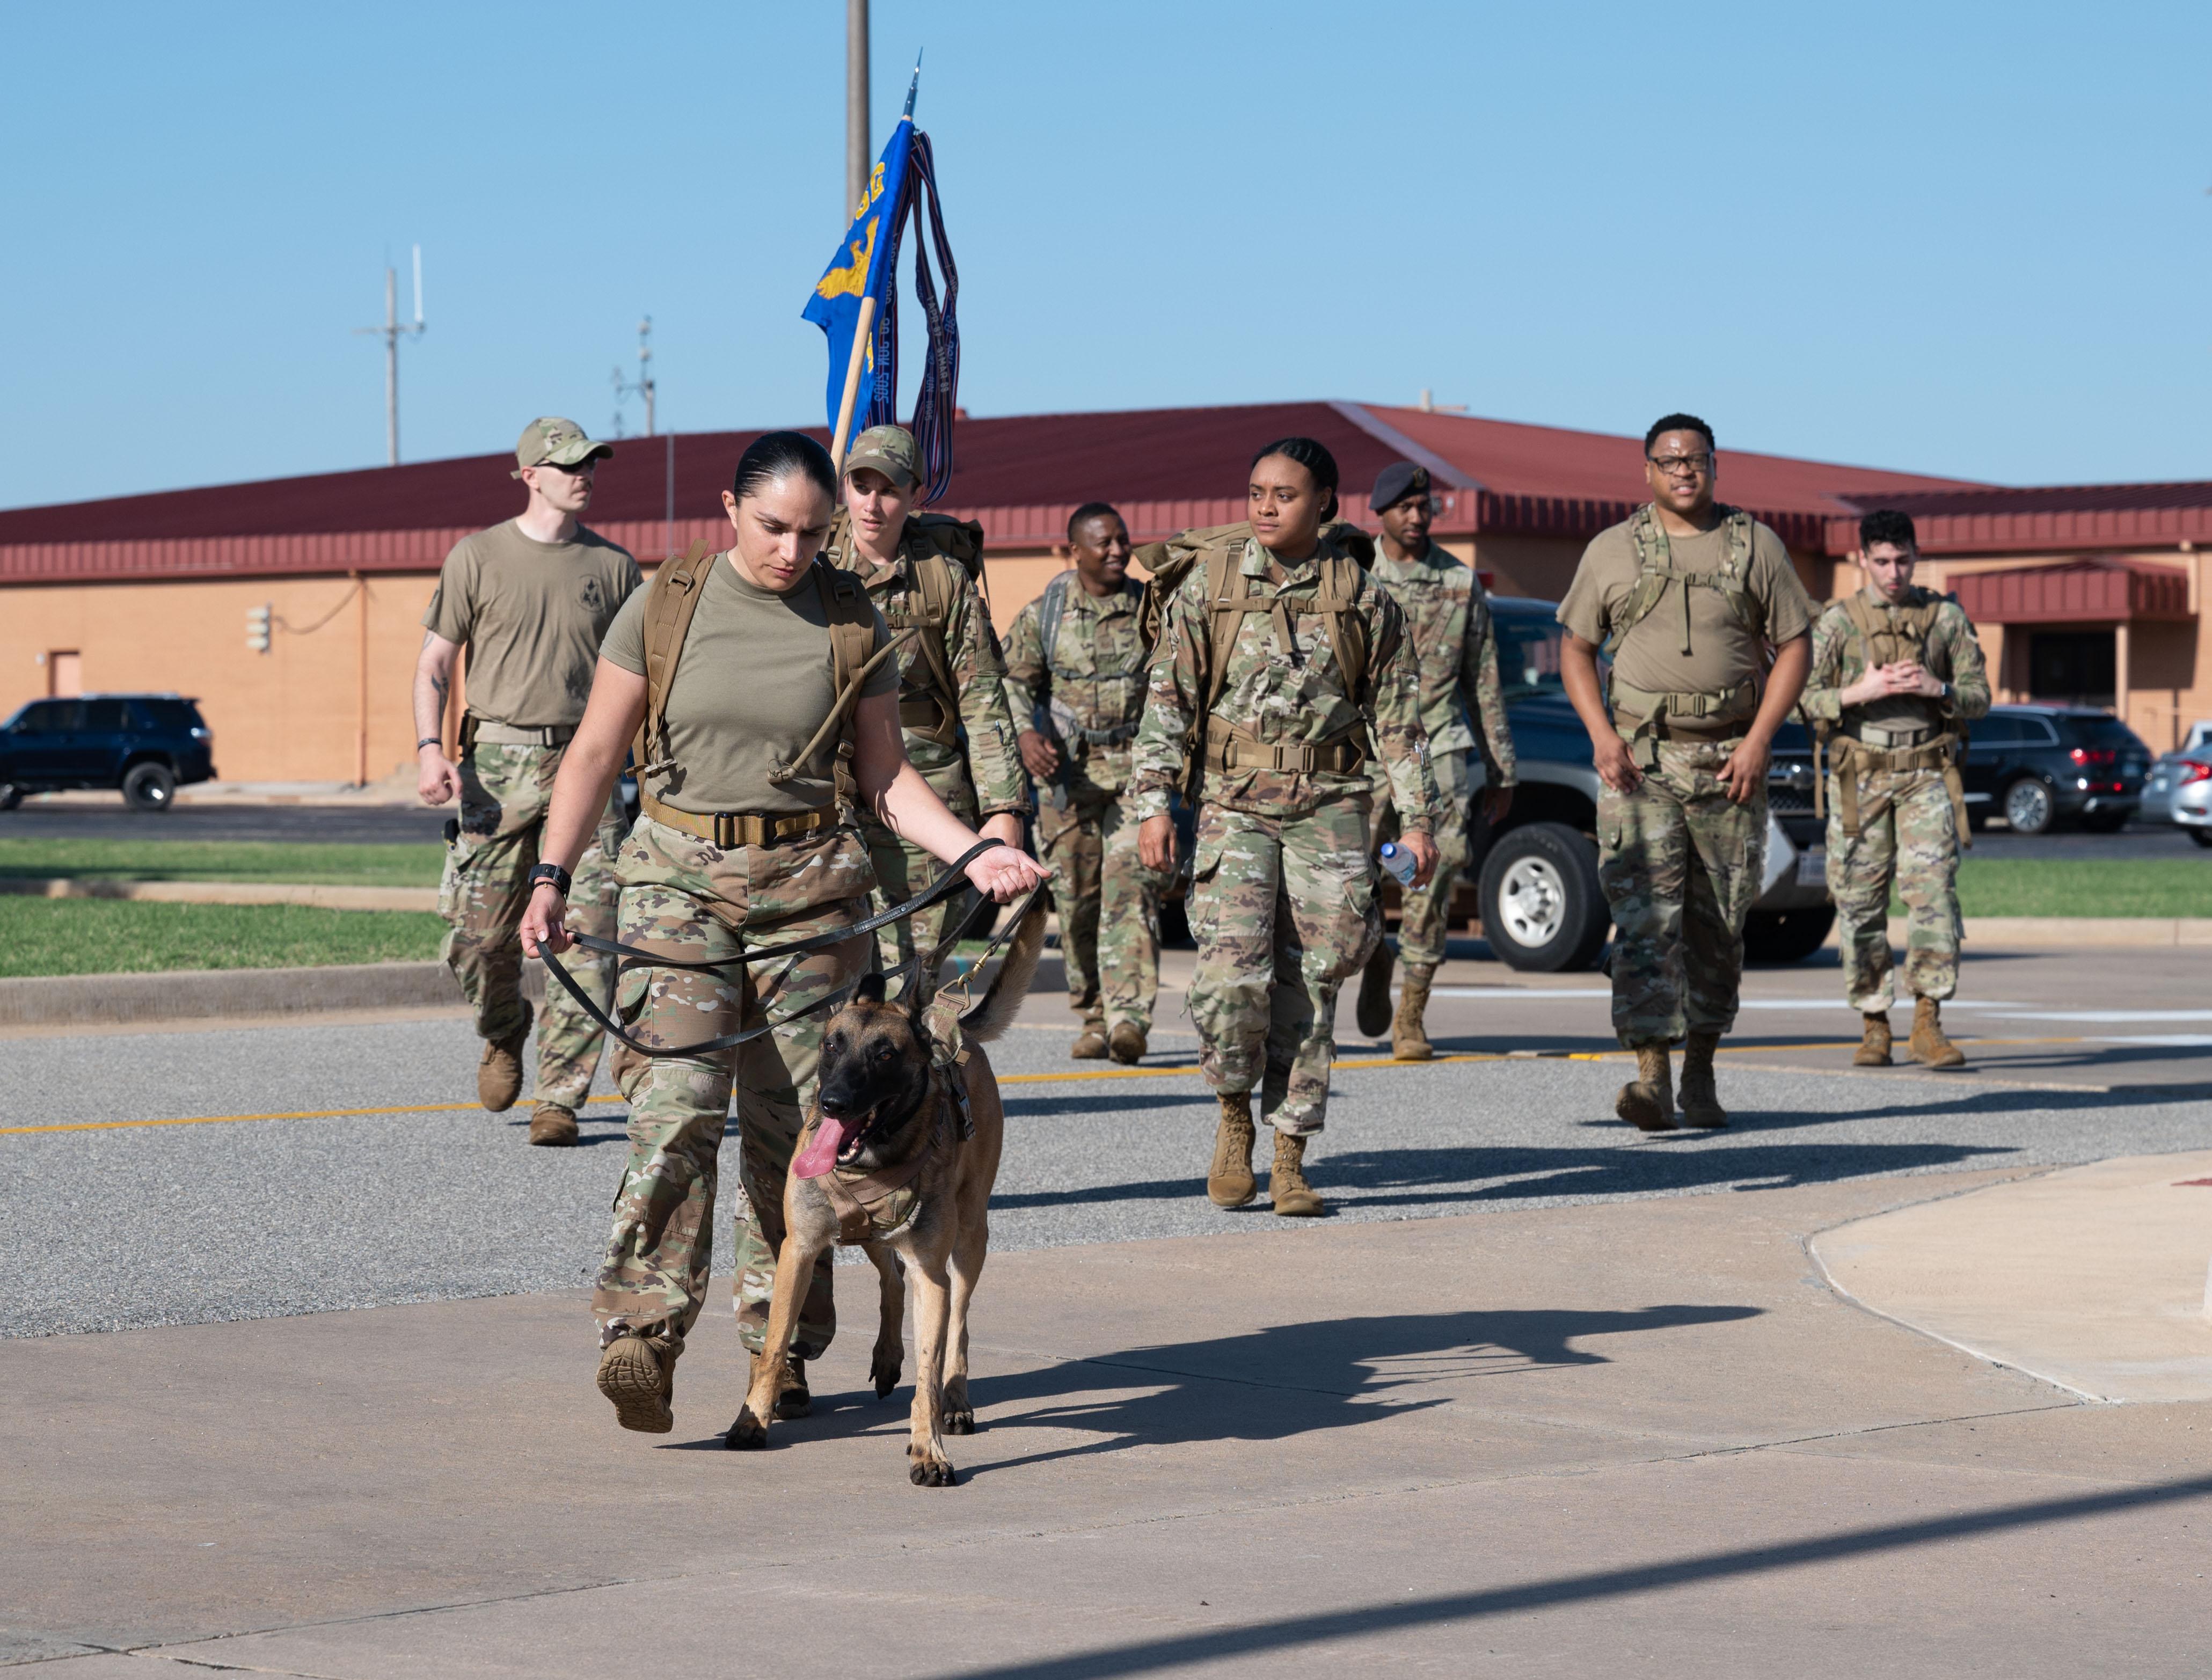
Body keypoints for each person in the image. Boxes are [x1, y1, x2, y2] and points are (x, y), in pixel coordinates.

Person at [516, 431, 1049, 1435]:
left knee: (803, 1133)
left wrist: (975, 850)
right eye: (774, 528)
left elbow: (886, 778)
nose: (794, 552)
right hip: (679, 881)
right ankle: (642, 1327)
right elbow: (593, 753)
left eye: (811, 533)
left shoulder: (851, 619)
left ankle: (781, 1339)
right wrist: (551, 876)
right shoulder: (666, 604)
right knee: (673, 1107)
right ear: (730, 509)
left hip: (811, 888)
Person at [1133, 437, 1440, 1218]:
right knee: (1233, 975)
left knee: (1314, 977)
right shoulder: (1210, 585)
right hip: (1234, 803)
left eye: (1285, 494)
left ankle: (1291, 1154)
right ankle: (1234, 1118)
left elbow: (1400, 721)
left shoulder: (1365, 599)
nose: (1265, 506)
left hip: (1330, 804)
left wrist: (1420, 822)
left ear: (1327, 504)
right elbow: (1168, 700)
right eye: (1256, 491)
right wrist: (1153, 804)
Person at [1556, 414, 1815, 1131]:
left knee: (1717, 925)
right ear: (1647, 470)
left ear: (1713, 466)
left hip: (1730, 758)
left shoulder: (1755, 545)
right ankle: (1651, 1077)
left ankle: (1700, 1068)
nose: (1682, 471)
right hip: (1642, 763)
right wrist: (1602, 736)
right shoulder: (1612, 551)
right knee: (1644, 921)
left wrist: (1761, 737)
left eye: (1695, 459)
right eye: (1668, 460)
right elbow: (1576, 648)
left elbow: (1796, 644)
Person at [413, 418, 640, 1146]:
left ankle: (560, 1096)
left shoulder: (615, 569)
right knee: (477, 940)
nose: (585, 473)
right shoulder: (477, 558)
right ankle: (504, 1027)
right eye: (568, 463)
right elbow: (433, 665)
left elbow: (643, 682)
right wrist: (427, 749)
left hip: (588, 767)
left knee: (589, 929)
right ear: (529, 474)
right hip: (497, 769)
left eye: (591, 462)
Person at [823, 425, 1030, 1002]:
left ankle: (921, 1091)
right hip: (826, 795)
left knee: (910, 982)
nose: (872, 502)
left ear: (914, 494)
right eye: (860, 485)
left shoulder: (943, 580)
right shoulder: (811, 566)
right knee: (823, 975)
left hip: (923, 791)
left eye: (888, 489)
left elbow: (983, 700)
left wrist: (1003, 811)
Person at [1801, 508, 1989, 1069]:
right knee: (1857, 902)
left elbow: (1980, 697)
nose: (1892, 572)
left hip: (1925, 772)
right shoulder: (1837, 624)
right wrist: (1857, 691)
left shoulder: (1943, 619)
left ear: (1915, 554)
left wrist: (1939, 688)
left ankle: (1927, 1020)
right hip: (1860, 776)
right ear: (1862, 559)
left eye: (1902, 559)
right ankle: (1873, 1022)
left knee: (1931, 894)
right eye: (1881, 561)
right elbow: (1799, 701)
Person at [1352, 462, 1518, 1060]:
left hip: (1437, 747)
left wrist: (1501, 766)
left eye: (1426, 507)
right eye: (1405, 507)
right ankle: (1374, 953)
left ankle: (1410, 1018)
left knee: (1432, 877)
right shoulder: (1353, 573)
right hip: (1362, 755)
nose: (1417, 518)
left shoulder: (1458, 581)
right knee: (1355, 877)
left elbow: (1483, 677)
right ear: (1381, 512)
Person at [1005, 502, 1166, 1063]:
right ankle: (1093, 1016)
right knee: (1075, 901)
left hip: (1135, 773)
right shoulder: (1044, 614)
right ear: (1074, 550)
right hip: (1067, 780)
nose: (1118, 550)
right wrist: (1026, 735)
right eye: (1104, 542)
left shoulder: (1153, 609)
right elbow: (1011, 681)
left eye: (1123, 539)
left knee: (1132, 889)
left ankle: (1129, 1019)